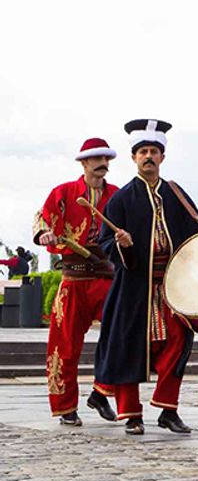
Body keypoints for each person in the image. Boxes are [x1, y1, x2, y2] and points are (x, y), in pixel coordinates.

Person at [95, 120, 198, 435]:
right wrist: (120, 244)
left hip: (172, 286)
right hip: (133, 287)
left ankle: (168, 409)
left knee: (179, 343)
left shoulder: (176, 194)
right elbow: (105, 243)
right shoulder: (121, 200)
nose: (149, 157)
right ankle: (131, 414)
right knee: (130, 347)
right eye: (143, 151)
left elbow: (195, 234)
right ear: (134, 158)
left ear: (162, 157)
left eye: (154, 151)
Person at [33, 138, 120, 426]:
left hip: (107, 278)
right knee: (64, 345)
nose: (102, 165)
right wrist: (44, 234)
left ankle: (102, 392)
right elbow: (43, 220)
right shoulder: (64, 192)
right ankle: (65, 406)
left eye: (106, 160)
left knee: (120, 335)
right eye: (97, 160)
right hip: (73, 280)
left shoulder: (117, 196)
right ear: (84, 163)